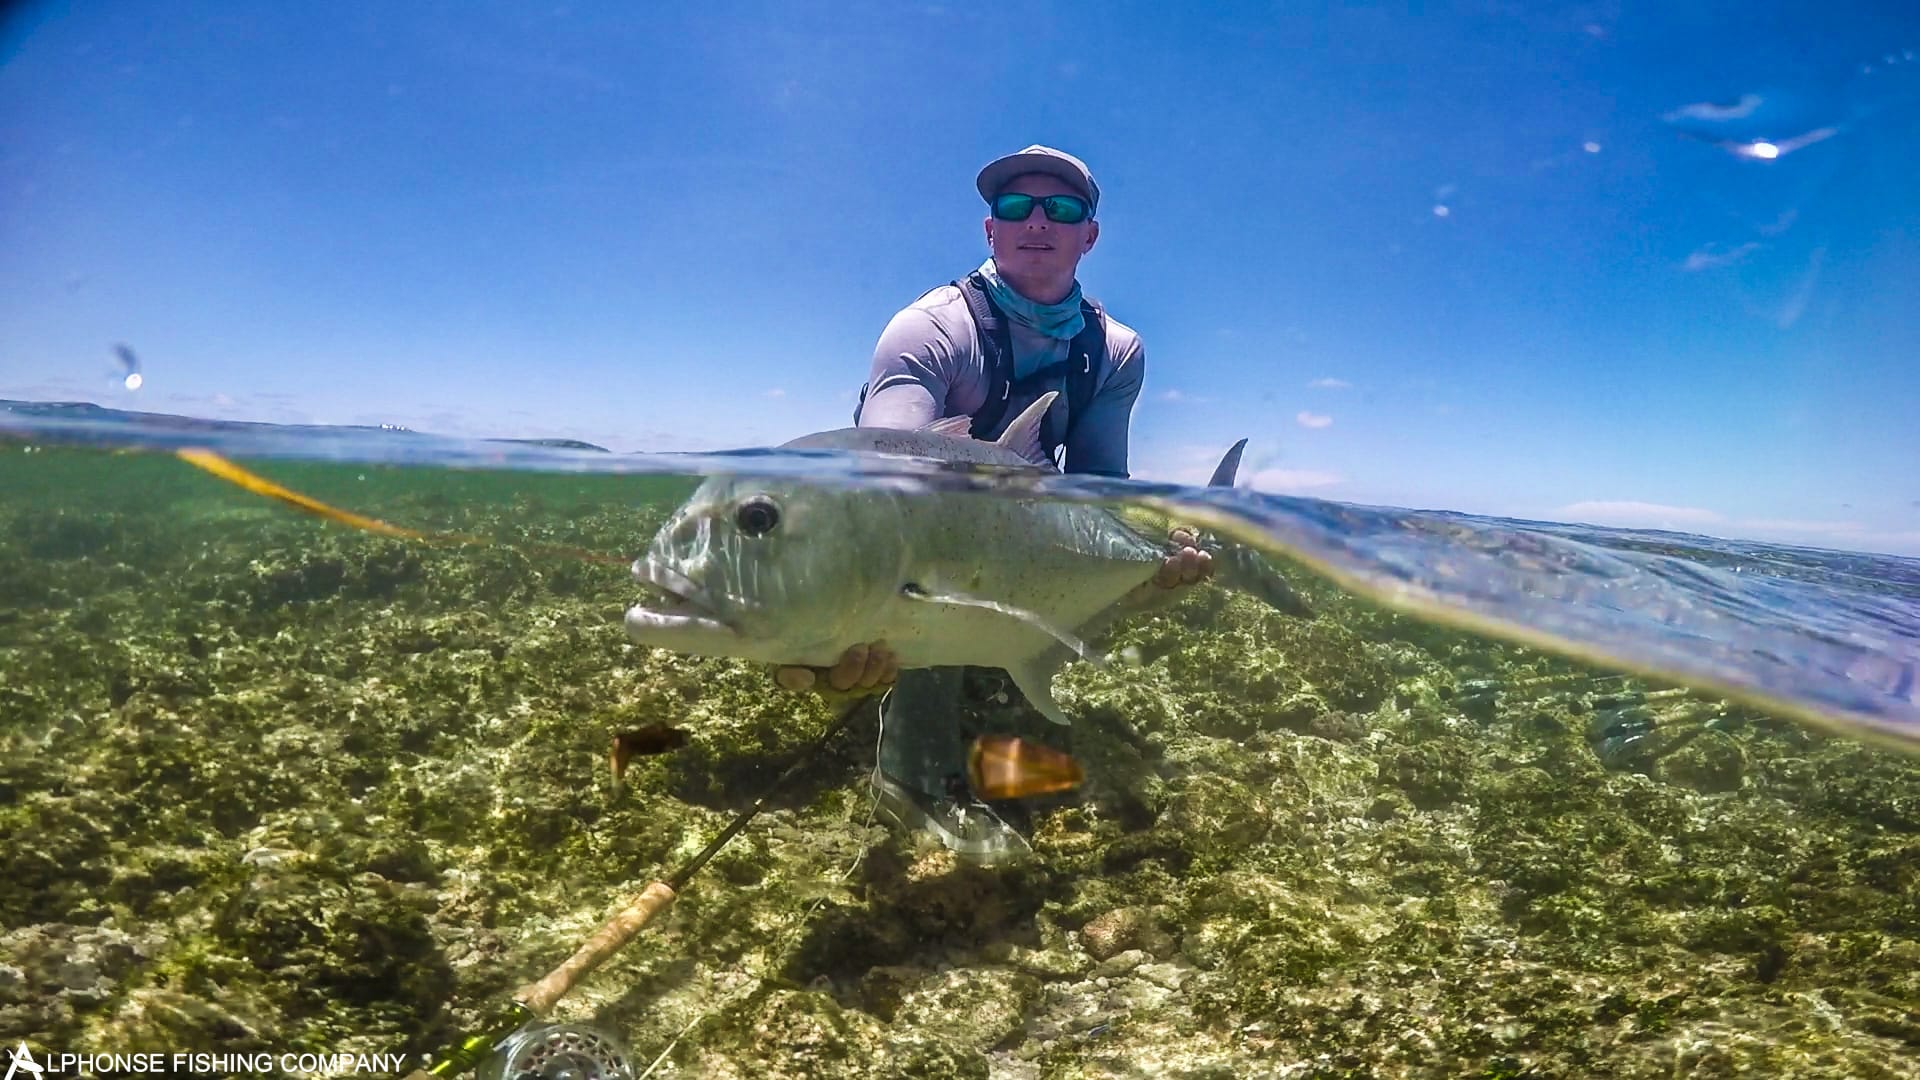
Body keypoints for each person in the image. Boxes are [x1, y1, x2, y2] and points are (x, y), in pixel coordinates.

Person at [776, 145, 1210, 861]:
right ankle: (913, 778)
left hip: (1024, 515)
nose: (1037, 221)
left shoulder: (1116, 350)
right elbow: (890, 485)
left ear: (1088, 235)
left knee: (1086, 597)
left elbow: (1099, 483)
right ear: (990, 230)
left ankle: (998, 664)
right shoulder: (930, 328)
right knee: (942, 573)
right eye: (1016, 207)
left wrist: (1150, 568)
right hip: (932, 526)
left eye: (1061, 209)